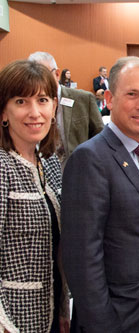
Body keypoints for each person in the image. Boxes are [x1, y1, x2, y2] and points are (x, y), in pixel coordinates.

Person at [61, 56, 139, 332]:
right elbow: (82, 258)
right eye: (132, 94)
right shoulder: (89, 158)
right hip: (116, 317)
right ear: (110, 99)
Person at [0, 60, 69, 333]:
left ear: (53, 107)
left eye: (42, 100)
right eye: (20, 101)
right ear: (3, 112)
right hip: (14, 318)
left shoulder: (49, 162)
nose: (34, 112)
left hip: (49, 314)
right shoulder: (3, 166)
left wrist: (63, 308)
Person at [28, 52, 104, 167]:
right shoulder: (31, 108)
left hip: (80, 172)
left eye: (42, 75)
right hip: (44, 175)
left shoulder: (83, 99)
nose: (38, 82)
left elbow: (100, 136)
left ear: (57, 74)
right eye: (32, 77)